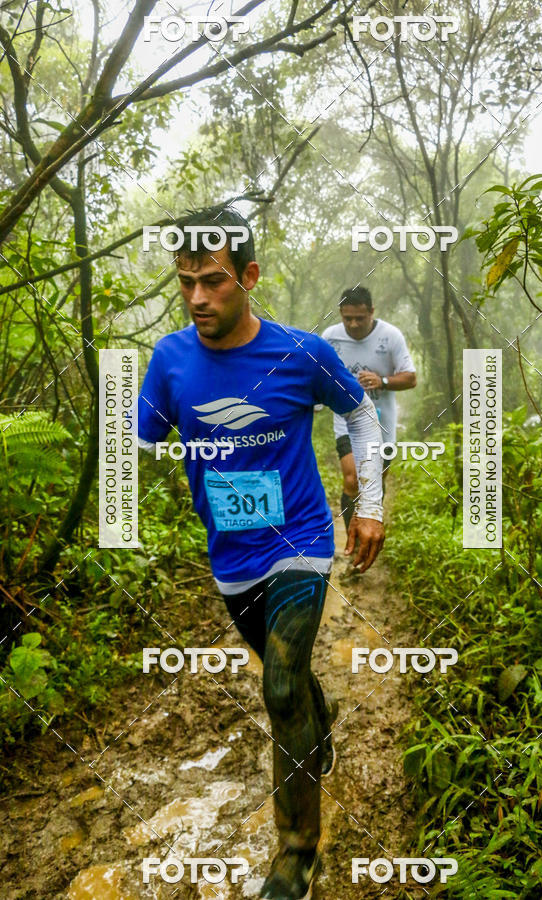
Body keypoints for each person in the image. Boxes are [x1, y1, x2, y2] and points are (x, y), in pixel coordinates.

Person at [136, 207, 385, 900]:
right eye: (185, 282)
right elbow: (147, 435)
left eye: (213, 281)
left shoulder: (299, 352)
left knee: (277, 686)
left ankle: (297, 855)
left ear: (248, 276)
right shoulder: (169, 359)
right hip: (232, 558)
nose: (197, 298)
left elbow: (358, 412)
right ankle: (316, 713)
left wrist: (369, 507)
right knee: (294, 684)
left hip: (300, 542)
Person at [322, 285, 416, 535]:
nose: (352, 324)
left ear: (372, 311)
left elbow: (410, 378)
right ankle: (353, 543)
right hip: (347, 421)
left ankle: (369, 528)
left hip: (382, 425)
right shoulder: (330, 337)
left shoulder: (391, 336)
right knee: (353, 480)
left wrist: (382, 381)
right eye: (347, 318)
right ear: (340, 314)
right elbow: (316, 374)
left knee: (374, 483)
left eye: (359, 318)